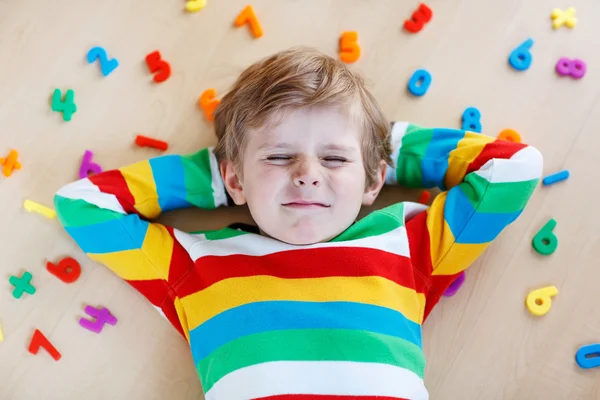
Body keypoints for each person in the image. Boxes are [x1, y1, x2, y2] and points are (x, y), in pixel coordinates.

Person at [54, 47, 543, 400]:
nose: (308, 175)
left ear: (375, 179)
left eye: (333, 157)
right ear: (234, 181)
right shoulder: (193, 265)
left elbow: (513, 170)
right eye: (280, 155)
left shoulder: (407, 246)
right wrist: (224, 176)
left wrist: (380, 151)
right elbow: (82, 204)